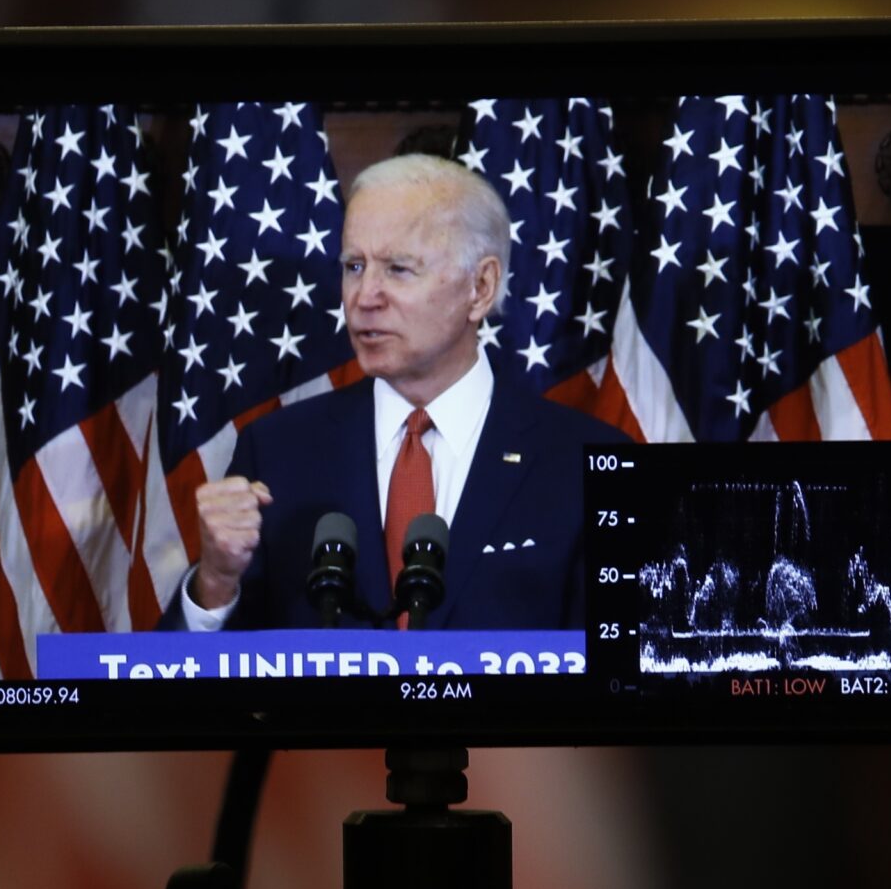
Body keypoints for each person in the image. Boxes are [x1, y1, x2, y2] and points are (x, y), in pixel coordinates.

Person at [160, 153, 628, 633]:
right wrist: (216, 581)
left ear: (481, 287)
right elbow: (198, 681)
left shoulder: (585, 462)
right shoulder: (278, 452)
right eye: (354, 265)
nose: (364, 297)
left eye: (399, 269)